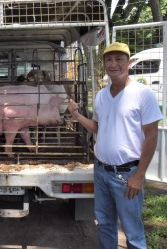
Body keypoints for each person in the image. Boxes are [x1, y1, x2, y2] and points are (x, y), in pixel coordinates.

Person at [68, 42, 163, 248]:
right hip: (101, 171)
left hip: (127, 174)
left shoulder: (142, 94)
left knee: (133, 231)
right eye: (109, 60)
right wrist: (76, 115)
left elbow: (152, 136)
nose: (113, 64)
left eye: (119, 59)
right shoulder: (102, 96)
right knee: (104, 223)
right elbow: (97, 127)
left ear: (128, 63)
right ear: (104, 64)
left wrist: (139, 175)